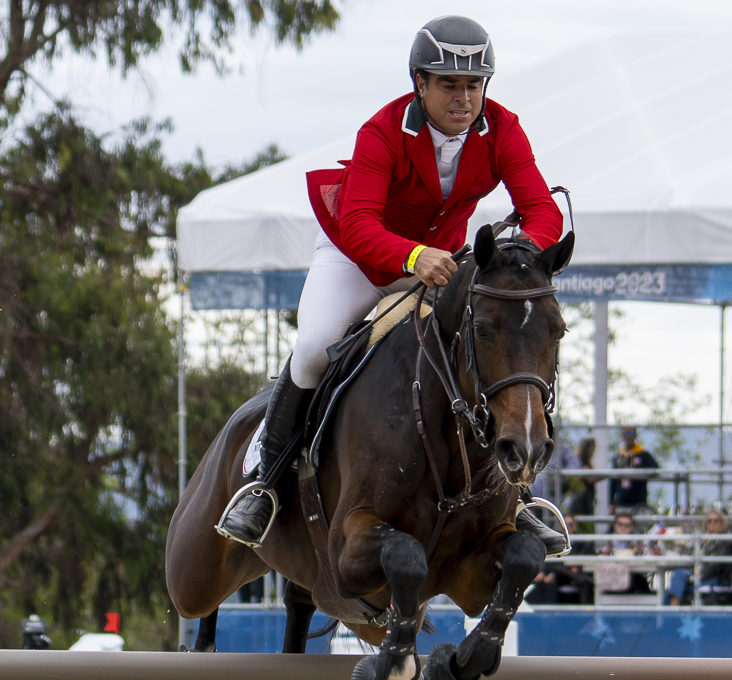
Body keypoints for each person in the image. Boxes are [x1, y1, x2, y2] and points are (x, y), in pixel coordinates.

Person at [217, 16, 566, 554]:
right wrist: (412, 255)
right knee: (313, 348)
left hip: (444, 261)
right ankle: (266, 478)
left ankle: (514, 500)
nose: (463, 98)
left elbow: (542, 209)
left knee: (475, 357)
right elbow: (358, 223)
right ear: (419, 84)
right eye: (449, 84)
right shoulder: (382, 131)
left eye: (474, 85)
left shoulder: (503, 129)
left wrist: (526, 256)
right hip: (360, 257)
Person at [611, 427, 660, 512]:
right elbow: (612, 481)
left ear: (635, 436)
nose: (628, 437)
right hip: (621, 502)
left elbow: (656, 470)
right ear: (621, 436)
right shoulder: (618, 457)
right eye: (626, 434)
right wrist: (611, 503)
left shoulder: (643, 455)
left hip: (639, 503)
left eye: (631, 434)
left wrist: (640, 472)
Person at [566, 437, 599, 516]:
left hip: (586, 499)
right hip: (582, 500)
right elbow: (590, 478)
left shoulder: (582, 461)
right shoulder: (581, 462)